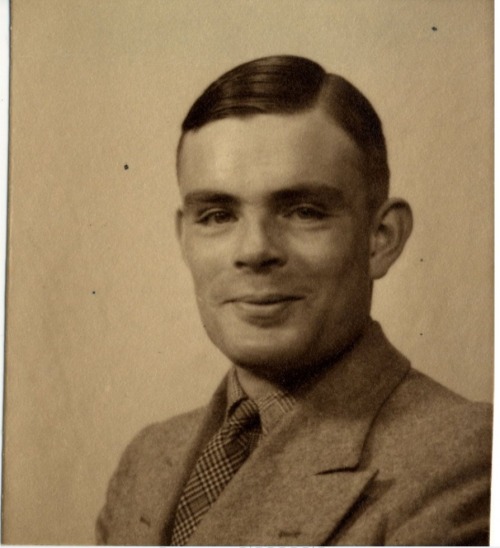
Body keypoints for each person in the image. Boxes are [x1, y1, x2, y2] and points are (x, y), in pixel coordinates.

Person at [96, 55, 492, 546]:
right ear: (184, 238)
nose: (254, 250)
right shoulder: (149, 459)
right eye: (217, 215)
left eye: (304, 211)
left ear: (381, 238)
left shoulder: (469, 458)